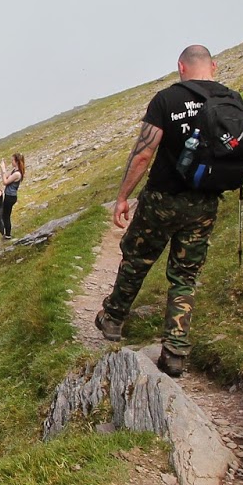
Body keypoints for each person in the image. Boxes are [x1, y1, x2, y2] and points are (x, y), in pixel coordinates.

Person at [94, 45, 226, 378]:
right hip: (205, 202)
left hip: (162, 199)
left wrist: (123, 196)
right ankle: (175, 353)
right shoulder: (228, 100)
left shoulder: (167, 100)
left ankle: (113, 319)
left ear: (181, 66)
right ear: (213, 66)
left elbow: (143, 154)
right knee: (185, 275)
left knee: (137, 258)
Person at [0, 153, 25, 239]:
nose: (11, 162)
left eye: (12, 160)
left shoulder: (17, 174)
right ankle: (6, 233)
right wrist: (2, 169)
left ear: (16, 161)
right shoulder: (14, 171)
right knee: (4, 215)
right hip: (9, 196)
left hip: (10, 197)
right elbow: (5, 177)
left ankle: (8, 235)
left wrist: (3, 169)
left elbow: (5, 182)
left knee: (6, 215)